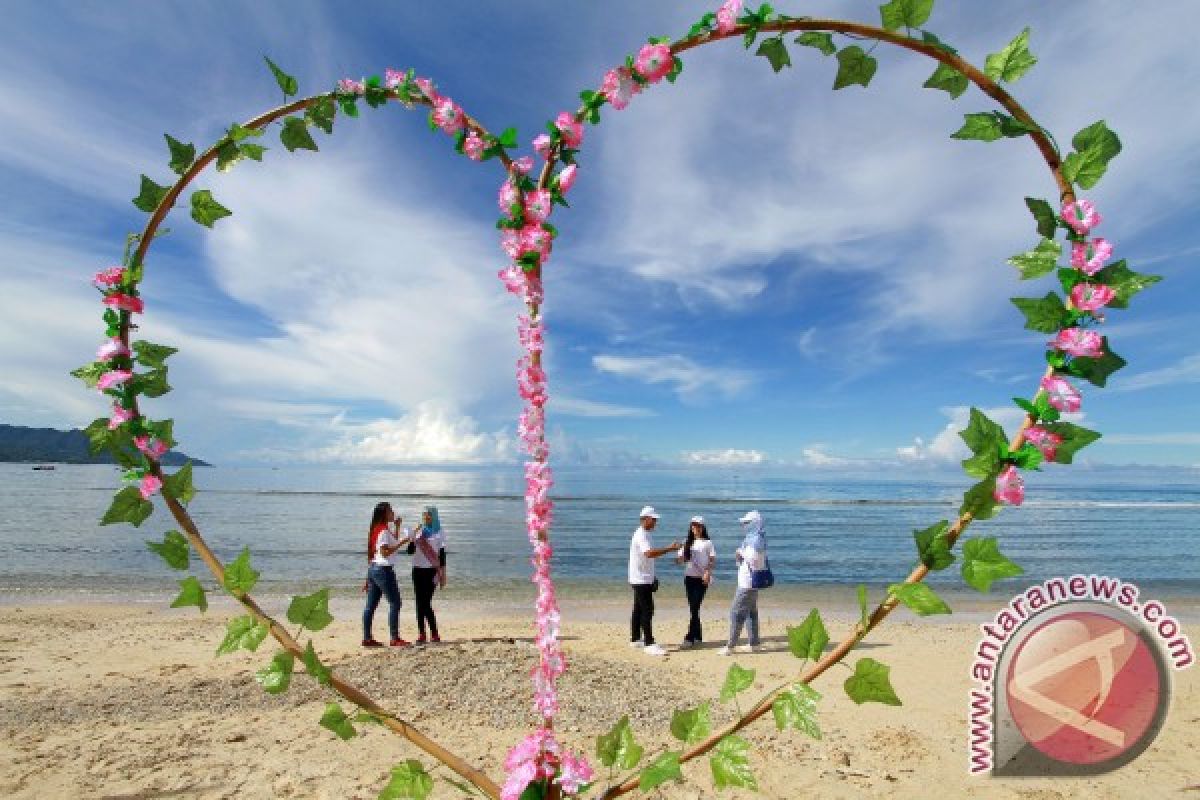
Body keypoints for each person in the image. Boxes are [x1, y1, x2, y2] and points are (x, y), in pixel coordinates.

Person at [628, 506, 681, 657]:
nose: (656, 522)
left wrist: (652, 577)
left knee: (638, 608)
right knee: (647, 610)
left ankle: (635, 639)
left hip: (641, 577)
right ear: (646, 519)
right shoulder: (641, 535)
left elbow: (645, 558)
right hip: (640, 579)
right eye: (654, 520)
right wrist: (669, 549)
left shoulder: (645, 533)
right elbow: (649, 553)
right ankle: (649, 643)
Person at [362, 501, 412, 648]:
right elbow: (385, 552)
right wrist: (403, 541)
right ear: (385, 513)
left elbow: (377, 552)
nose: (393, 512)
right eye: (390, 510)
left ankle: (367, 638)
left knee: (370, 606)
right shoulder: (383, 531)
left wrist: (397, 527)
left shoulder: (378, 529)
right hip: (383, 570)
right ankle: (394, 638)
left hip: (374, 569)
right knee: (395, 603)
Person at [719, 510, 767, 656]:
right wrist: (741, 553)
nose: (743, 525)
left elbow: (754, 560)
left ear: (754, 523)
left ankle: (730, 646)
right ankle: (754, 643)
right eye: (743, 523)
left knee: (736, 612)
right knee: (751, 613)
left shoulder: (755, 540)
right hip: (750, 581)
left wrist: (740, 552)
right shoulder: (755, 538)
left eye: (746, 523)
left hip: (748, 583)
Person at [675, 515, 715, 648]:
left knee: (695, 607)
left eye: (698, 526)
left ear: (703, 527)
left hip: (702, 579)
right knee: (694, 609)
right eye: (693, 525)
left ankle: (689, 638)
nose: (695, 528)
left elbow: (712, 559)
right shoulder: (687, 542)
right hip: (689, 578)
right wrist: (681, 557)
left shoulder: (707, 543)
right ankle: (698, 636)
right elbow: (679, 560)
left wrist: (708, 572)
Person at [410, 505, 447, 644]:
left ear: (434, 516)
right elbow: (409, 551)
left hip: (431, 571)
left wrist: (443, 575)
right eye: (424, 514)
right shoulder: (419, 532)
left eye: (429, 514)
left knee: (425, 602)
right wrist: (413, 537)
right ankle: (421, 633)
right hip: (417, 570)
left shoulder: (440, 532)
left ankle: (434, 633)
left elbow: (442, 556)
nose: (426, 517)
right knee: (419, 603)